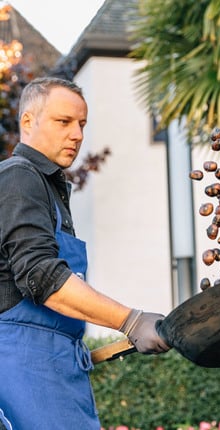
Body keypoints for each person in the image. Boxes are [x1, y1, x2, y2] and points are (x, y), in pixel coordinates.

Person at [0, 77, 170, 429]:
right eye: (63, 122)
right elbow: (42, 277)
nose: (77, 135)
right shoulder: (19, 177)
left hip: (56, 365)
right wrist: (131, 320)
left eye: (82, 124)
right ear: (28, 122)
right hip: (21, 366)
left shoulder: (49, 187)